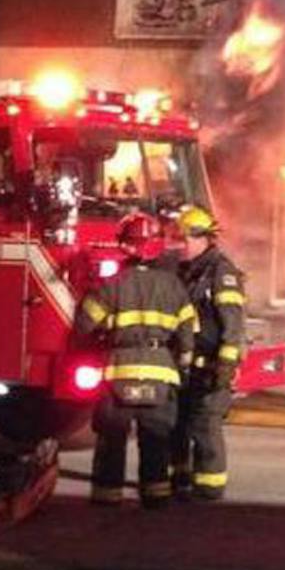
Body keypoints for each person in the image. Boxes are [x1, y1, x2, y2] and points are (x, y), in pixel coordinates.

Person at [77, 214, 196, 510]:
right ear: (157, 246)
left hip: (118, 372)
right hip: (160, 373)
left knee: (112, 441)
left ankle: (107, 497)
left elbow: (83, 325)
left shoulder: (111, 284)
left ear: (124, 245)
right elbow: (188, 335)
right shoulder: (174, 286)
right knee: (155, 441)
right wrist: (181, 364)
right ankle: (155, 497)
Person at [169, 204, 246, 502]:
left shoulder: (221, 273)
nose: (180, 246)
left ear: (203, 239)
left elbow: (233, 322)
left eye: (185, 239)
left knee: (205, 424)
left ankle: (210, 488)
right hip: (187, 366)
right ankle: (180, 481)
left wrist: (225, 366)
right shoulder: (187, 270)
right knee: (178, 423)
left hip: (212, 366)